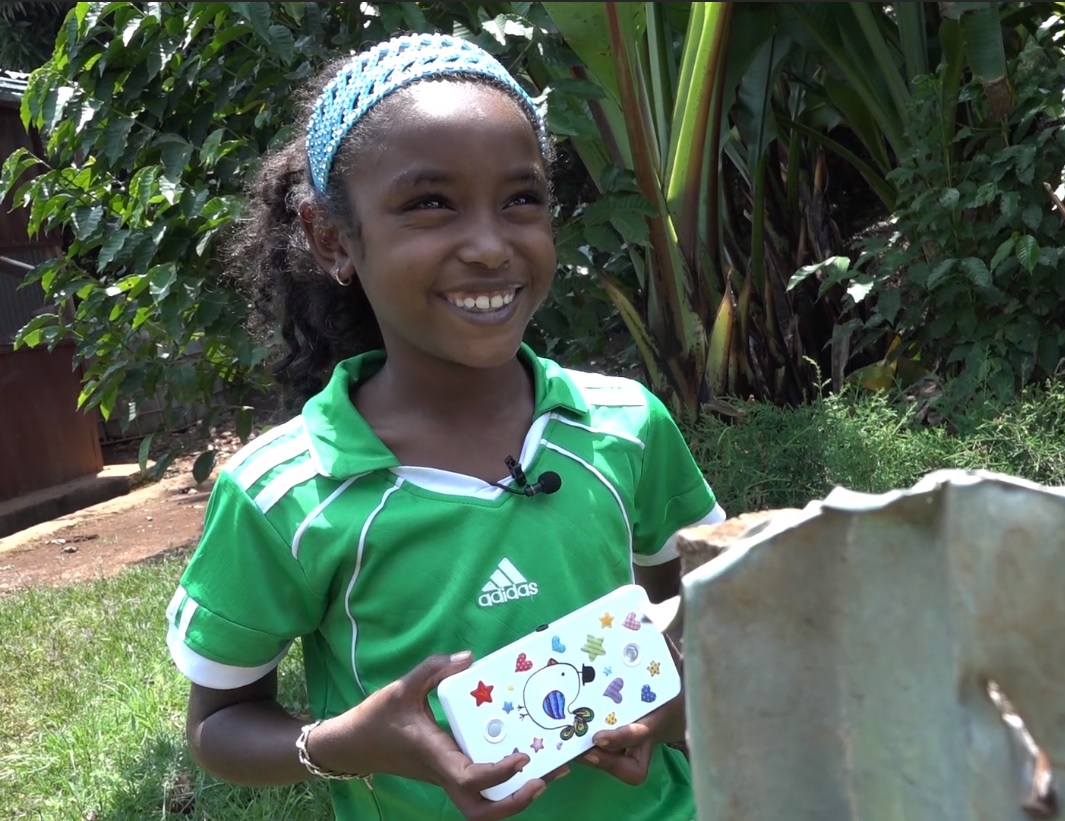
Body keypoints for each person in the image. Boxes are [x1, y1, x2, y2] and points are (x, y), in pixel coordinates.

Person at [163, 32, 726, 821]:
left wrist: (671, 704)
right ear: (332, 238)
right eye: (430, 203)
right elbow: (219, 723)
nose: (491, 245)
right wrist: (345, 741)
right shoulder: (282, 495)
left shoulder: (625, 424)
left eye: (522, 199)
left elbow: (700, 614)